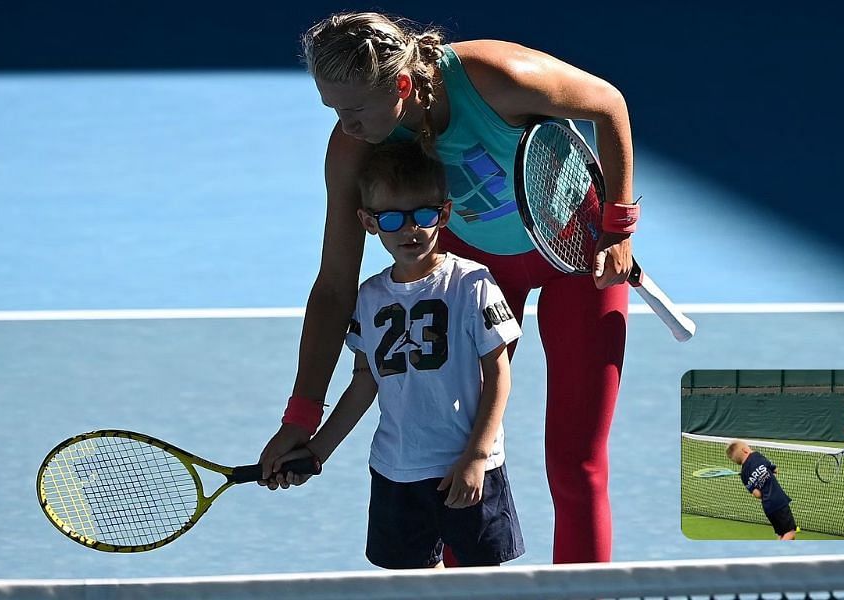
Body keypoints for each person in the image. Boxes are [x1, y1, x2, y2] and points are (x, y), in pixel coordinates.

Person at [259, 10, 640, 564]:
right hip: (480, 269)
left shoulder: (495, 77)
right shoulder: (352, 148)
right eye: (333, 108)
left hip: (577, 257)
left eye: (356, 108)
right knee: (453, 456)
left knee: (575, 460)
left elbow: (609, 103)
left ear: (404, 85)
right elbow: (335, 285)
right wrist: (302, 415)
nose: (346, 125)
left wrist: (617, 227)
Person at [272, 141, 525, 569]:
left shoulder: (471, 283)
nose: (410, 230)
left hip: (465, 466)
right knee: (410, 585)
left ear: (444, 214)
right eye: (392, 218)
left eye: (423, 215)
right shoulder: (369, 298)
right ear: (369, 222)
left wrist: (476, 458)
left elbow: (499, 377)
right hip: (396, 472)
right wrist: (317, 451)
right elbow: (362, 384)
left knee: (485, 585)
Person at [726, 440, 797, 541]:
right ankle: (777, 555)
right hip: (778, 501)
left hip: (768, 507)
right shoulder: (756, 456)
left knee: (782, 534)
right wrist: (771, 472)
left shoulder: (743, 476)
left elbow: (758, 494)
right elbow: (775, 469)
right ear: (745, 450)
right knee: (790, 533)